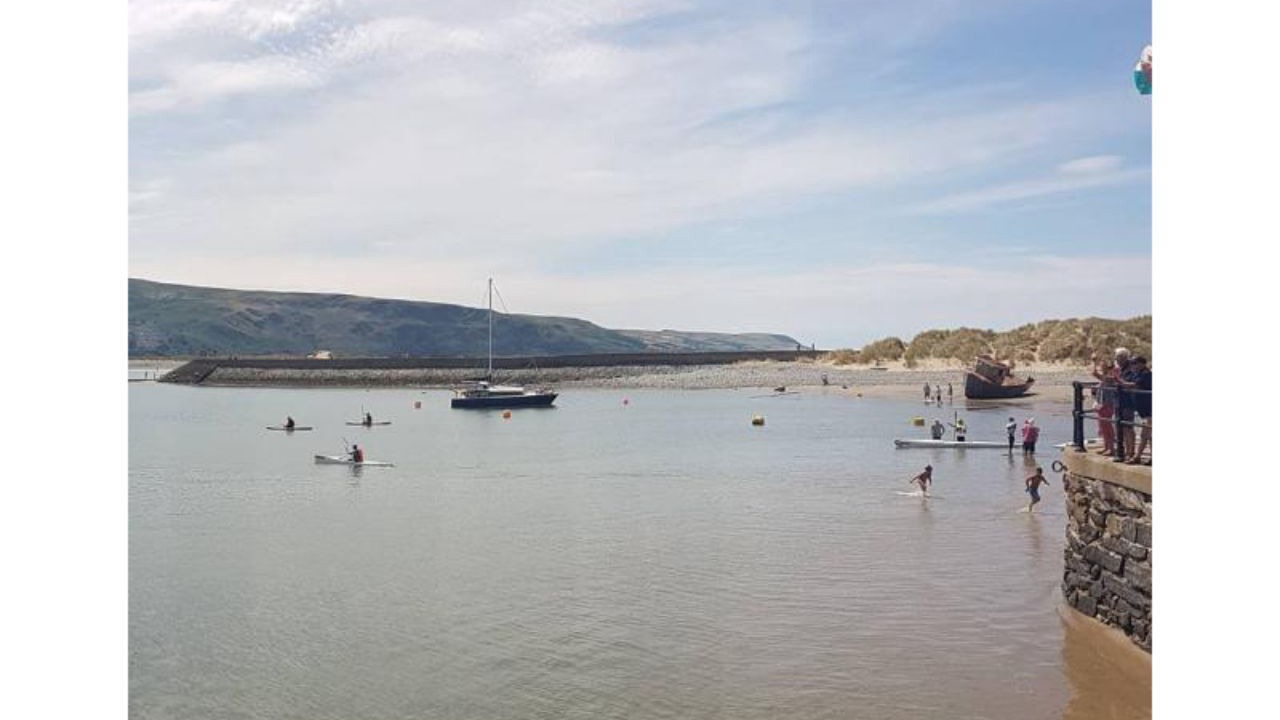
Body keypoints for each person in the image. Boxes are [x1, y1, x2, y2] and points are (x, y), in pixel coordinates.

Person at [1125, 356, 1152, 464]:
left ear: (1142, 363)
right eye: (1131, 363)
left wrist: (1121, 382)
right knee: (1147, 434)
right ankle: (1144, 457)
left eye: (1135, 363)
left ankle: (1137, 456)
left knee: (1145, 434)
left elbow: (1135, 385)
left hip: (1149, 409)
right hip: (1144, 410)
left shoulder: (1146, 374)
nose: (1133, 366)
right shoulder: (1137, 374)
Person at [1091, 356, 1119, 456]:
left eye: (1103, 365)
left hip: (1107, 404)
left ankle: (1111, 448)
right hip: (1101, 405)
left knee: (1107, 427)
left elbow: (1095, 374)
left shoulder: (1110, 376)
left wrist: (1094, 361)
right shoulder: (1106, 376)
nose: (1101, 367)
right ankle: (1106, 447)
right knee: (1102, 427)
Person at [1112, 348, 1136, 460]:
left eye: (1118, 357)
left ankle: (1131, 452)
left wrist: (1119, 381)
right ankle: (1123, 451)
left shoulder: (1130, 369)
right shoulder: (1120, 369)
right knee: (1119, 427)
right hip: (1119, 401)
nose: (1116, 359)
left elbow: (1131, 384)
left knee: (1128, 427)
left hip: (1127, 402)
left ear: (1123, 357)